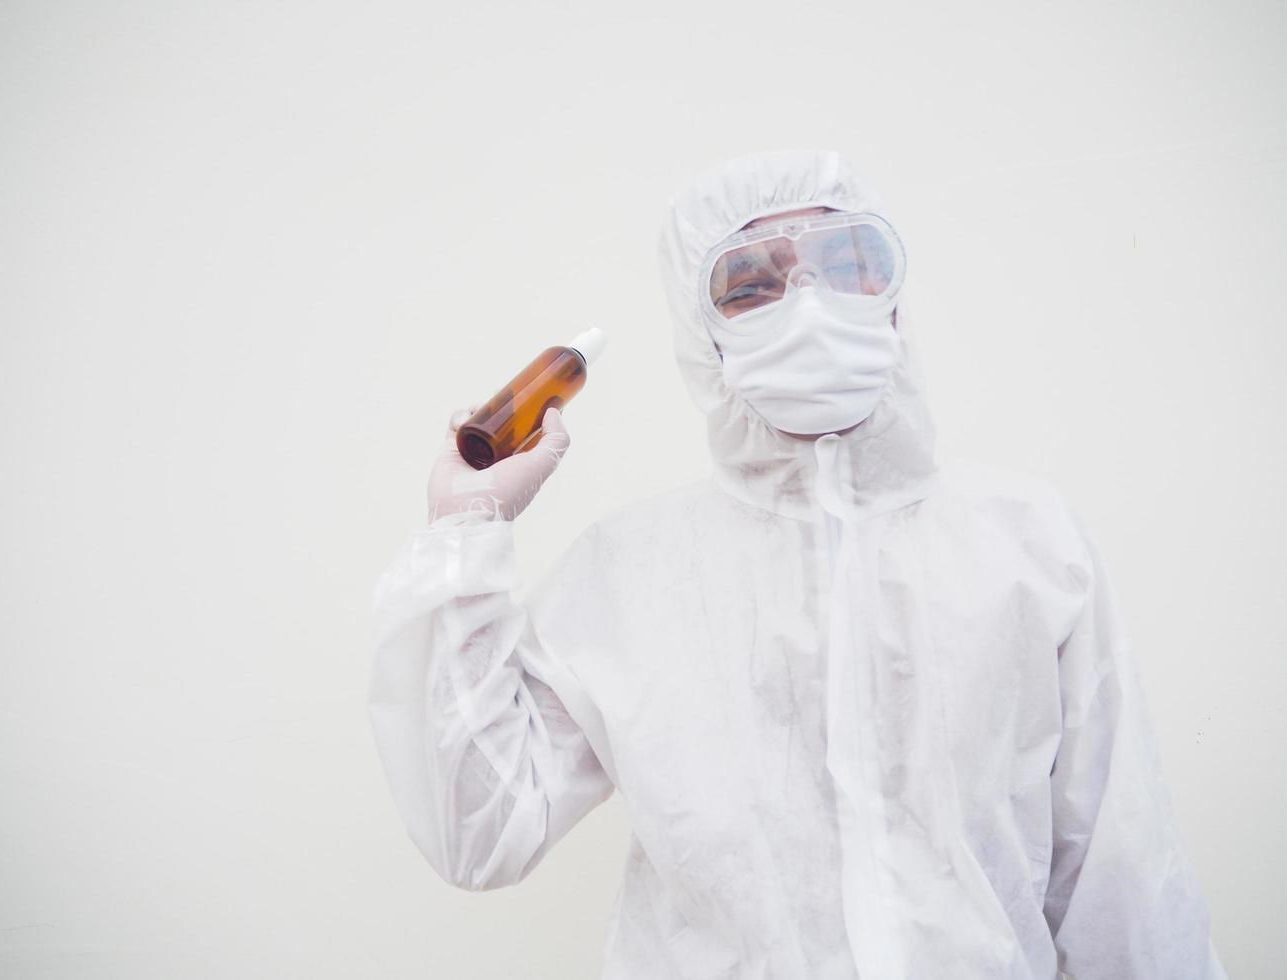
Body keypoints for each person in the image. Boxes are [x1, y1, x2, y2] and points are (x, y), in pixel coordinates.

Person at [368, 149, 1227, 979]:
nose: (807, 307)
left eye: (844, 264)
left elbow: (1119, 884)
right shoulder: (628, 574)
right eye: (750, 286)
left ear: (892, 299)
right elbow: (480, 833)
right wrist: (462, 534)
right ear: (701, 334)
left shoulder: (1029, 545)